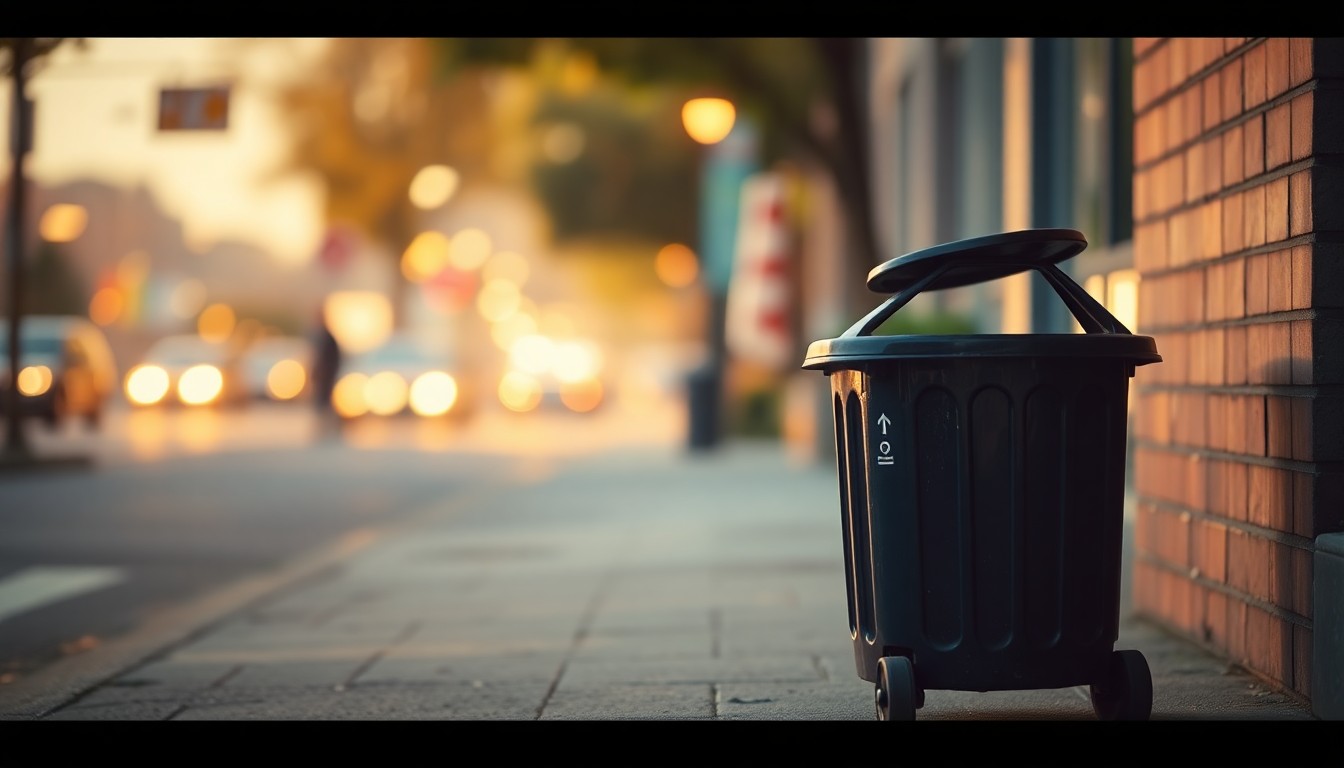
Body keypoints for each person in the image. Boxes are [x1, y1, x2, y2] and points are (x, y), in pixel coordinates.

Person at [309, 306, 341, 436]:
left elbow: (333, 359)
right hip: (322, 378)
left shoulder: (328, 337)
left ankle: (329, 428)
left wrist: (328, 373)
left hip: (327, 378)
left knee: (325, 403)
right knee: (322, 404)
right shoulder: (320, 336)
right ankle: (325, 428)